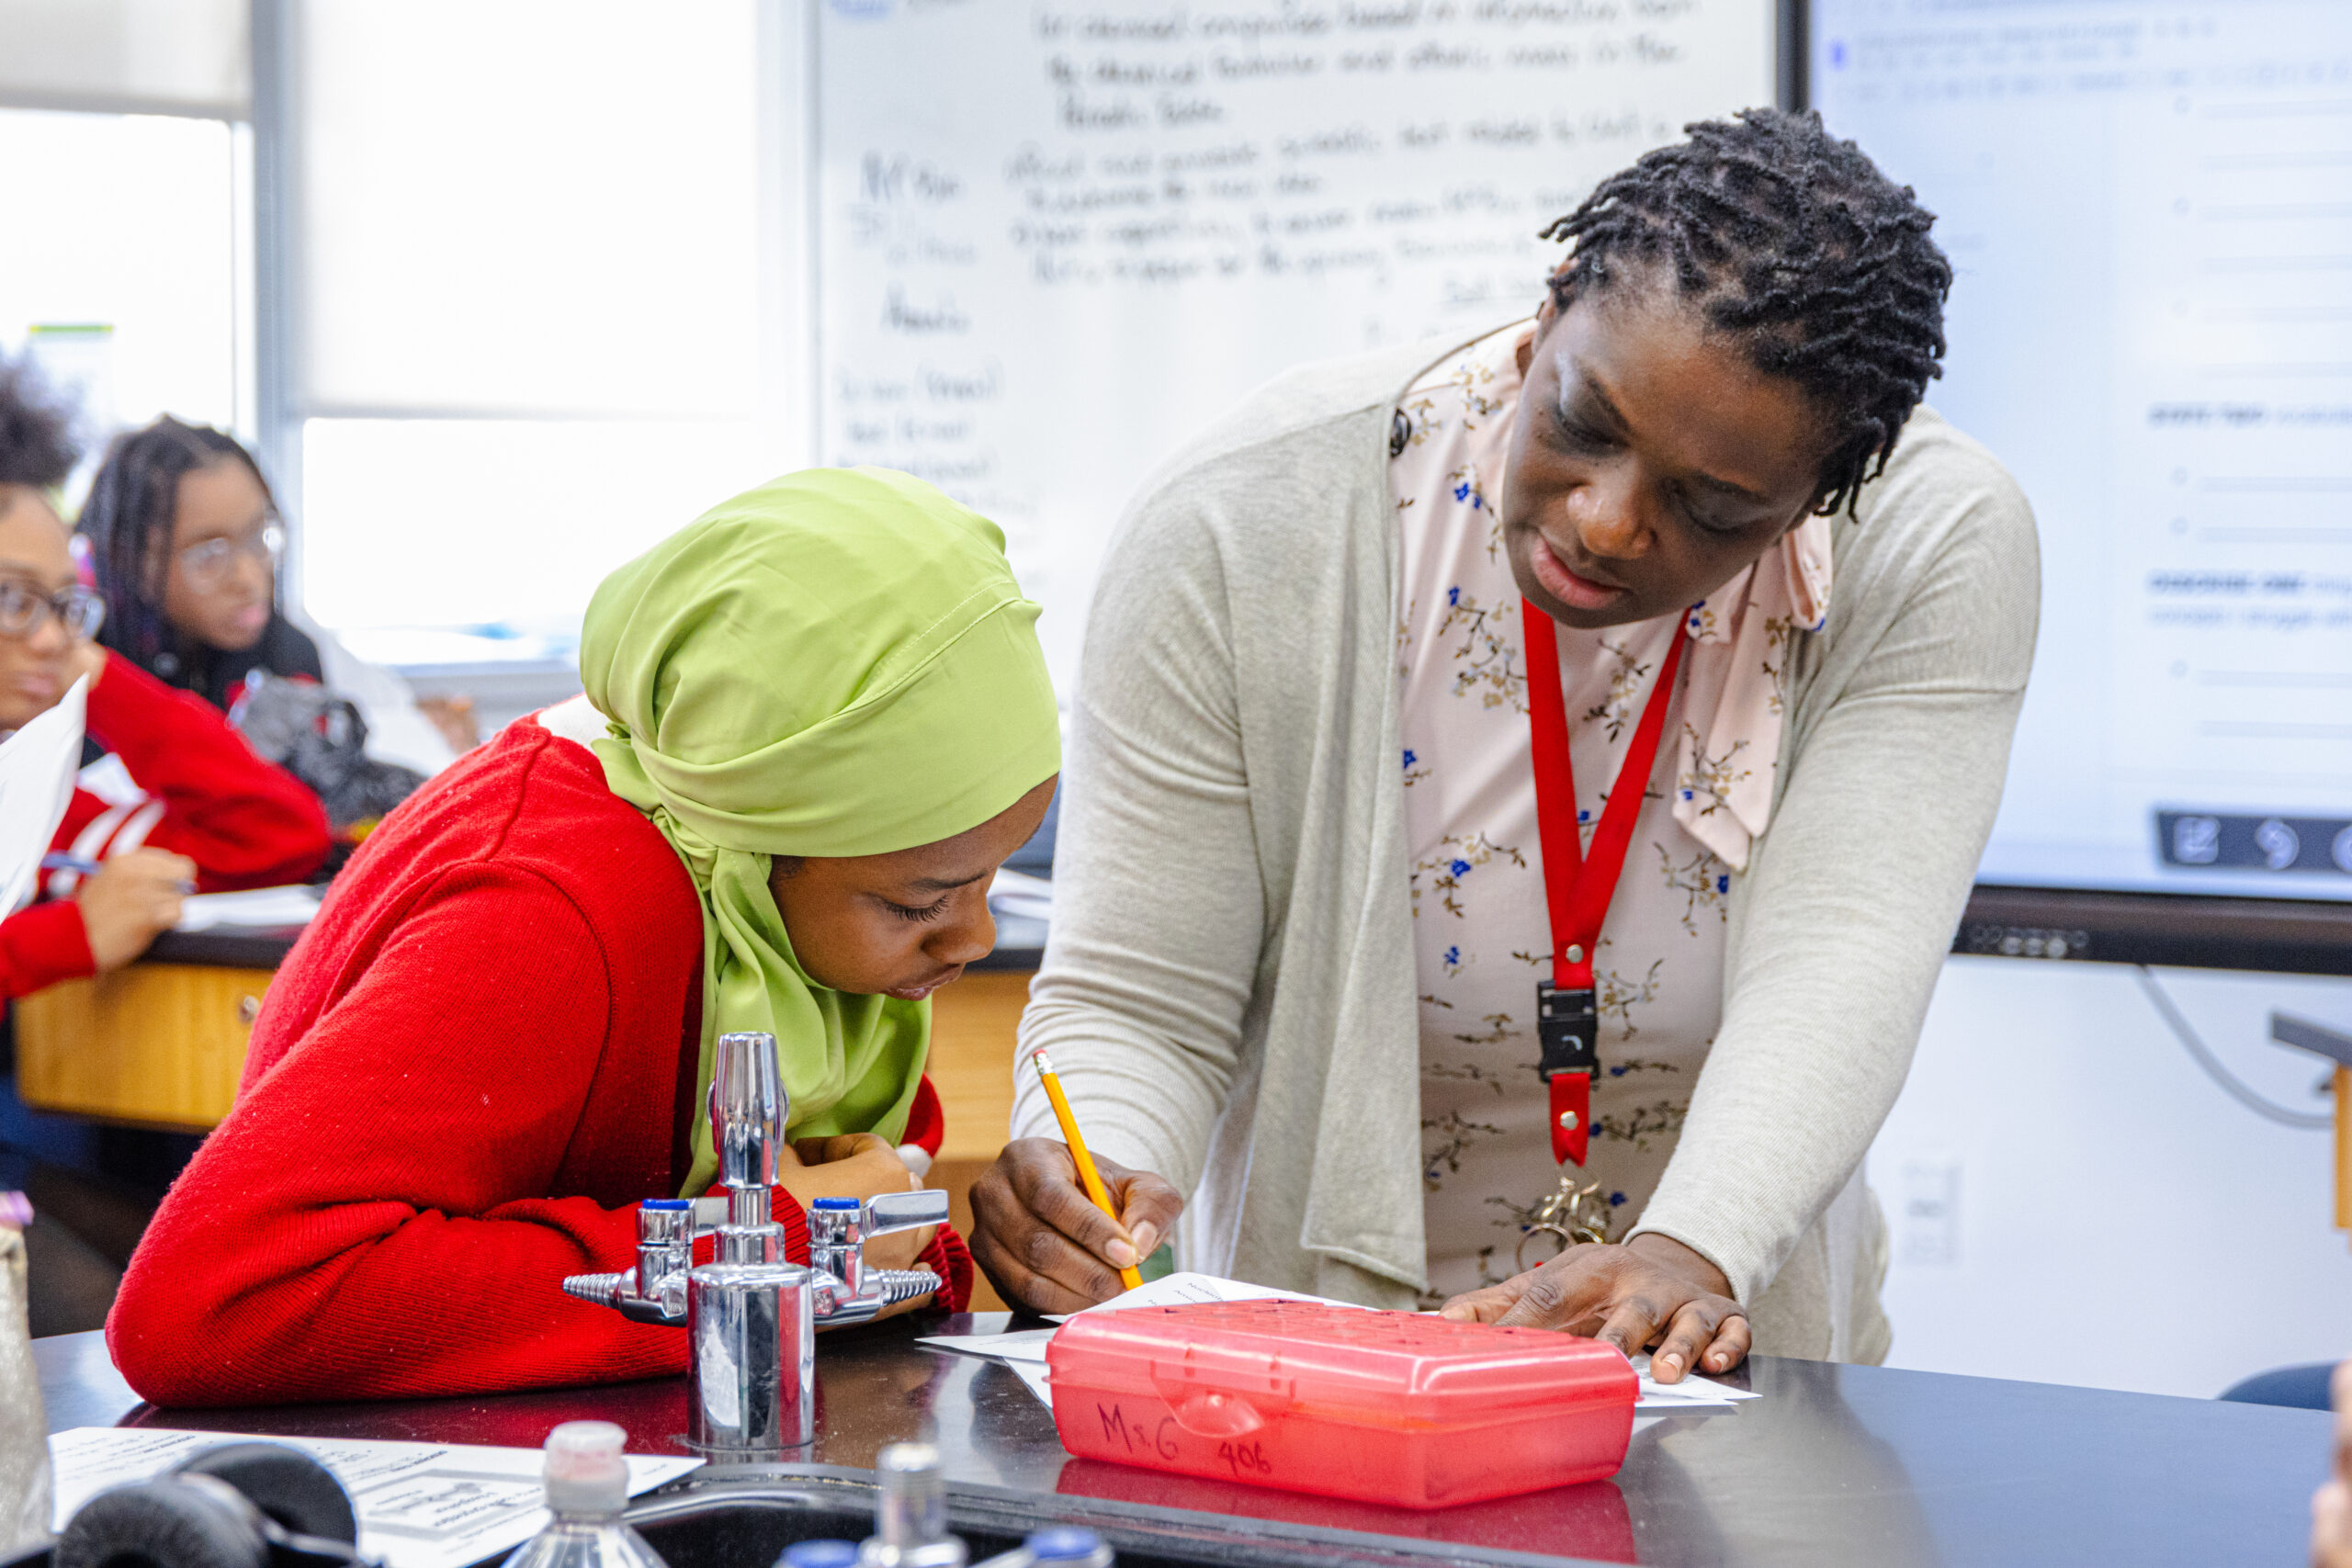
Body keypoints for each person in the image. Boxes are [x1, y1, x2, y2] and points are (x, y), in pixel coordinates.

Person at [971, 109, 2038, 1384]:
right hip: (1319, 1378)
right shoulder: (1242, 524)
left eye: (1712, 508)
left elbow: (1845, 954)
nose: (1607, 521)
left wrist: (1691, 1250)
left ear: (1818, 497)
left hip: (1699, 1369)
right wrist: (1095, 1189)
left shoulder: (1933, 544)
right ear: (1546, 319)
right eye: (1583, 421)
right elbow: (1145, 992)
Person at [108, 466, 1061, 1405]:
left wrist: (927, 1243)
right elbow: (211, 1303)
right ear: (763, 835)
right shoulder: (550, 910)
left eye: (992, 877)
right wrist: (754, 1255)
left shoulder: (773, 924)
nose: (972, 937)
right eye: (918, 904)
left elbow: (846, 1206)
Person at [0, 359, 332, 1000]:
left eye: (65, 605)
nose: (48, 639)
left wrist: (98, 679)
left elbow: (279, 835)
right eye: (14, 600)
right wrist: (71, 936)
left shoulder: (35, 808)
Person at [77, 418, 472, 839]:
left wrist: (435, 728)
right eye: (210, 555)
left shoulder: (297, 647)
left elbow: (400, 719)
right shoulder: (82, 675)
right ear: (133, 559)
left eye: (259, 536)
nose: (249, 577)